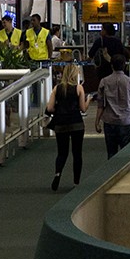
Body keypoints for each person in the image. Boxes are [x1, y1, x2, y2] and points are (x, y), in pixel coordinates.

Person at [45, 63, 87, 191]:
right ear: (76, 74)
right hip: (76, 123)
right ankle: (76, 182)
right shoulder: (79, 88)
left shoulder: (57, 88)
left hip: (61, 123)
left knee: (62, 152)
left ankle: (58, 173)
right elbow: (83, 109)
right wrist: (89, 101)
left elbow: (50, 108)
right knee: (77, 153)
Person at [95, 55, 130, 158]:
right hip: (125, 121)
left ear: (111, 66)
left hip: (109, 121)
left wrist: (97, 121)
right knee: (126, 155)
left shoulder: (104, 81)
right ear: (124, 66)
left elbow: (100, 104)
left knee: (111, 153)